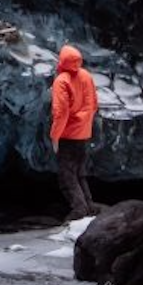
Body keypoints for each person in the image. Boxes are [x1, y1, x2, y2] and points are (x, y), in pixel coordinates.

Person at [50, 44, 99, 221]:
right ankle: (89, 206)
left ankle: (79, 210)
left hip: (67, 135)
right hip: (83, 133)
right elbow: (94, 104)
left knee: (67, 177)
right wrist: (84, 124)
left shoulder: (61, 81)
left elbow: (60, 112)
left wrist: (55, 137)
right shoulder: (86, 76)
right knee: (80, 173)